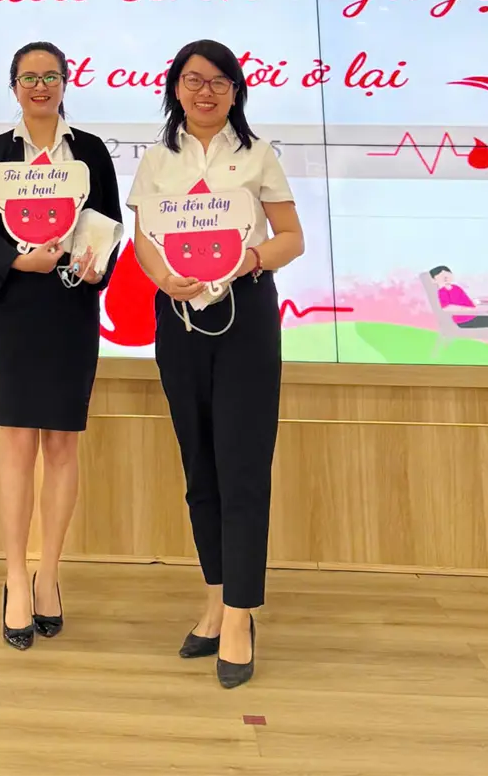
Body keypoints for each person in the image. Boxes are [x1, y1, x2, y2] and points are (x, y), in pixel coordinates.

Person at [128, 39, 303, 691]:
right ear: (175, 88)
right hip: (178, 319)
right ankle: (214, 600)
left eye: (220, 82)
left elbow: (292, 238)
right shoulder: (156, 160)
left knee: (242, 466)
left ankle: (239, 616)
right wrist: (162, 276)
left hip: (245, 316)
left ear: (236, 91)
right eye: (195, 80)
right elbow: (144, 240)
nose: (206, 92)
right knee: (200, 465)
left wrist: (251, 259)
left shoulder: (258, 155)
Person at [0, 41, 122, 649]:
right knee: (16, 443)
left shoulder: (91, 152)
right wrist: (16, 259)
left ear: (65, 82)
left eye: (50, 76)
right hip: (12, 309)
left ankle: (48, 575)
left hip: (70, 309)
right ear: (14, 86)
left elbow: (110, 225)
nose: (40, 86)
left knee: (62, 444)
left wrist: (98, 265)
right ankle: (14, 579)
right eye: (29, 77)